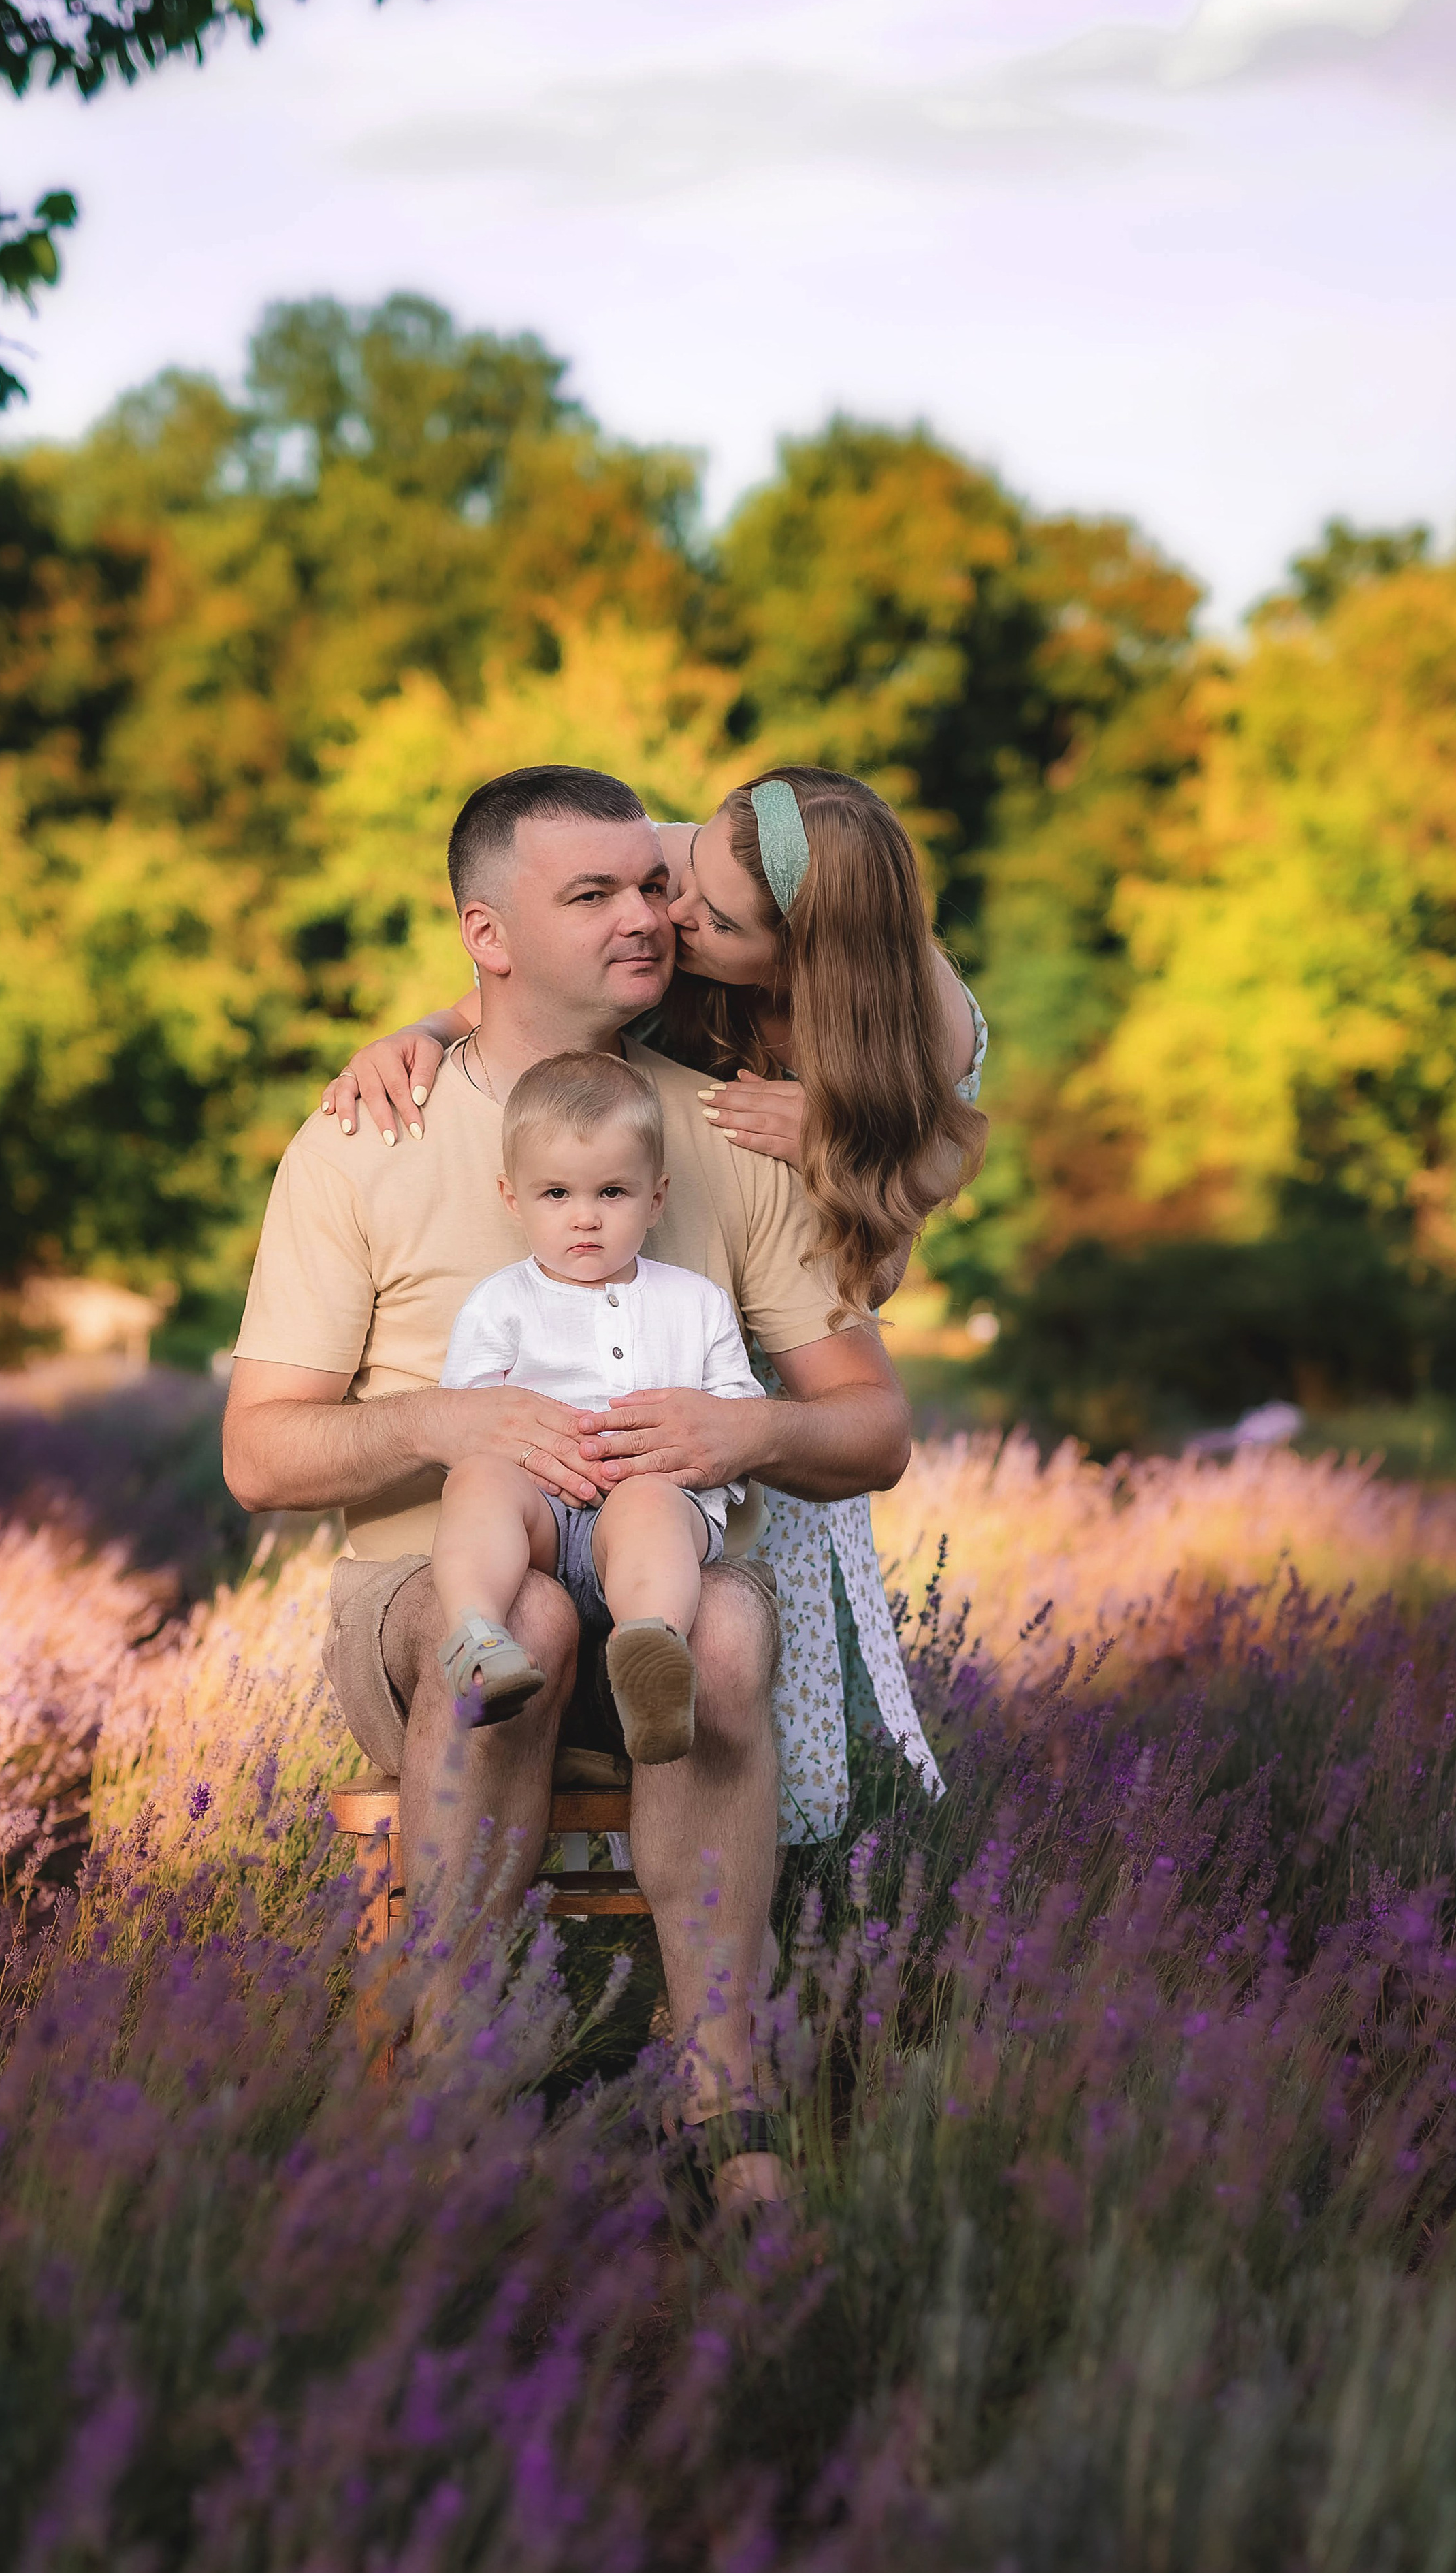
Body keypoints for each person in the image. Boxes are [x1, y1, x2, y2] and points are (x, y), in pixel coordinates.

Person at [223, 765, 911, 2199]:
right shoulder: (365, 1138)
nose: (647, 916)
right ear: (486, 934)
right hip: (430, 1601)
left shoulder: (725, 1135)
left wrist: (746, 1437)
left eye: (652, 885)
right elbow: (259, 1456)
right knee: (520, 1625)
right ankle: (439, 2072)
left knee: (721, 1628)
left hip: (653, 1581)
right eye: (589, 894)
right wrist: (448, 1425)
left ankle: (725, 2109)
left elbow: (870, 1432)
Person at [320, 766, 987, 1844]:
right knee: (552, 1552)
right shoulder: (728, 851)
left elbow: (890, 1233)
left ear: (797, 954)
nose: (667, 916)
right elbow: (529, 957)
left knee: (741, 1642)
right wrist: (434, 1030)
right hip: (642, 1240)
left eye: (710, 918)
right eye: (678, 879)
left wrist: (836, 1141)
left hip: (732, 1344)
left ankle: (752, 1917)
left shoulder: (908, 1032)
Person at [432, 1049, 764, 1765]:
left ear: (657, 1197)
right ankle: (477, 1635)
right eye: (556, 1195)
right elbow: (463, 1420)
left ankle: (649, 1655)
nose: (584, 1219)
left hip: (652, 1521)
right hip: (543, 1524)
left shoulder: (693, 1303)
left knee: (646, 1502)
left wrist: (703, 1446)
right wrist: (505, 1449)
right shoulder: (502, 1302)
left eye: (612, 1193)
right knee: (478, 1482)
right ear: (512, 1198)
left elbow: (739, 1416)